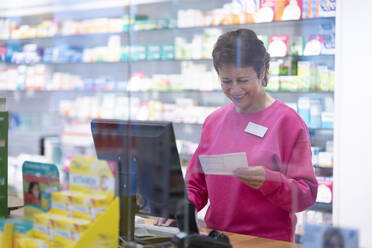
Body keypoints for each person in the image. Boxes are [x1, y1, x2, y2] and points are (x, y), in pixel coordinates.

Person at [183, 28, 318, 242]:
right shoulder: (214, 122)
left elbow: (306, 195)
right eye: (227, 81)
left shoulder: (287, 123)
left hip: (267, 243)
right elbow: (195, 184)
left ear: (262, 71)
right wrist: (182, 208)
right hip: (218, 240)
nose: (235, 89)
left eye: (243, 80)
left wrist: (270, 181)